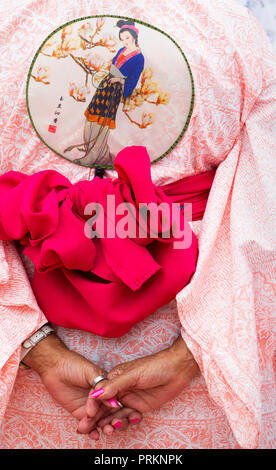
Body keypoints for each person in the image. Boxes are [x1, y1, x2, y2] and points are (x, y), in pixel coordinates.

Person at [0, 0, 275, 449]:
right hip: (193, 386)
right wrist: (190, 357)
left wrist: (37, 350)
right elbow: (264, 212)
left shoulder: (8, 21)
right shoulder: (231, 31)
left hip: (26, 379)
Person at [73, 20, 145, 166]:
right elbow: (113, 65)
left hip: (115, 90)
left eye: (127, 38)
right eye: (122, 38)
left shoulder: (139, 57)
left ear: (134, 37)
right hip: (106, 84)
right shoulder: (121, 50)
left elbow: (133, 80)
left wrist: (120, 80)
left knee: (103, 121)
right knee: (93, 115)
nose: (124, 41)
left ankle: (95, 156)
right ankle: (90, 151)